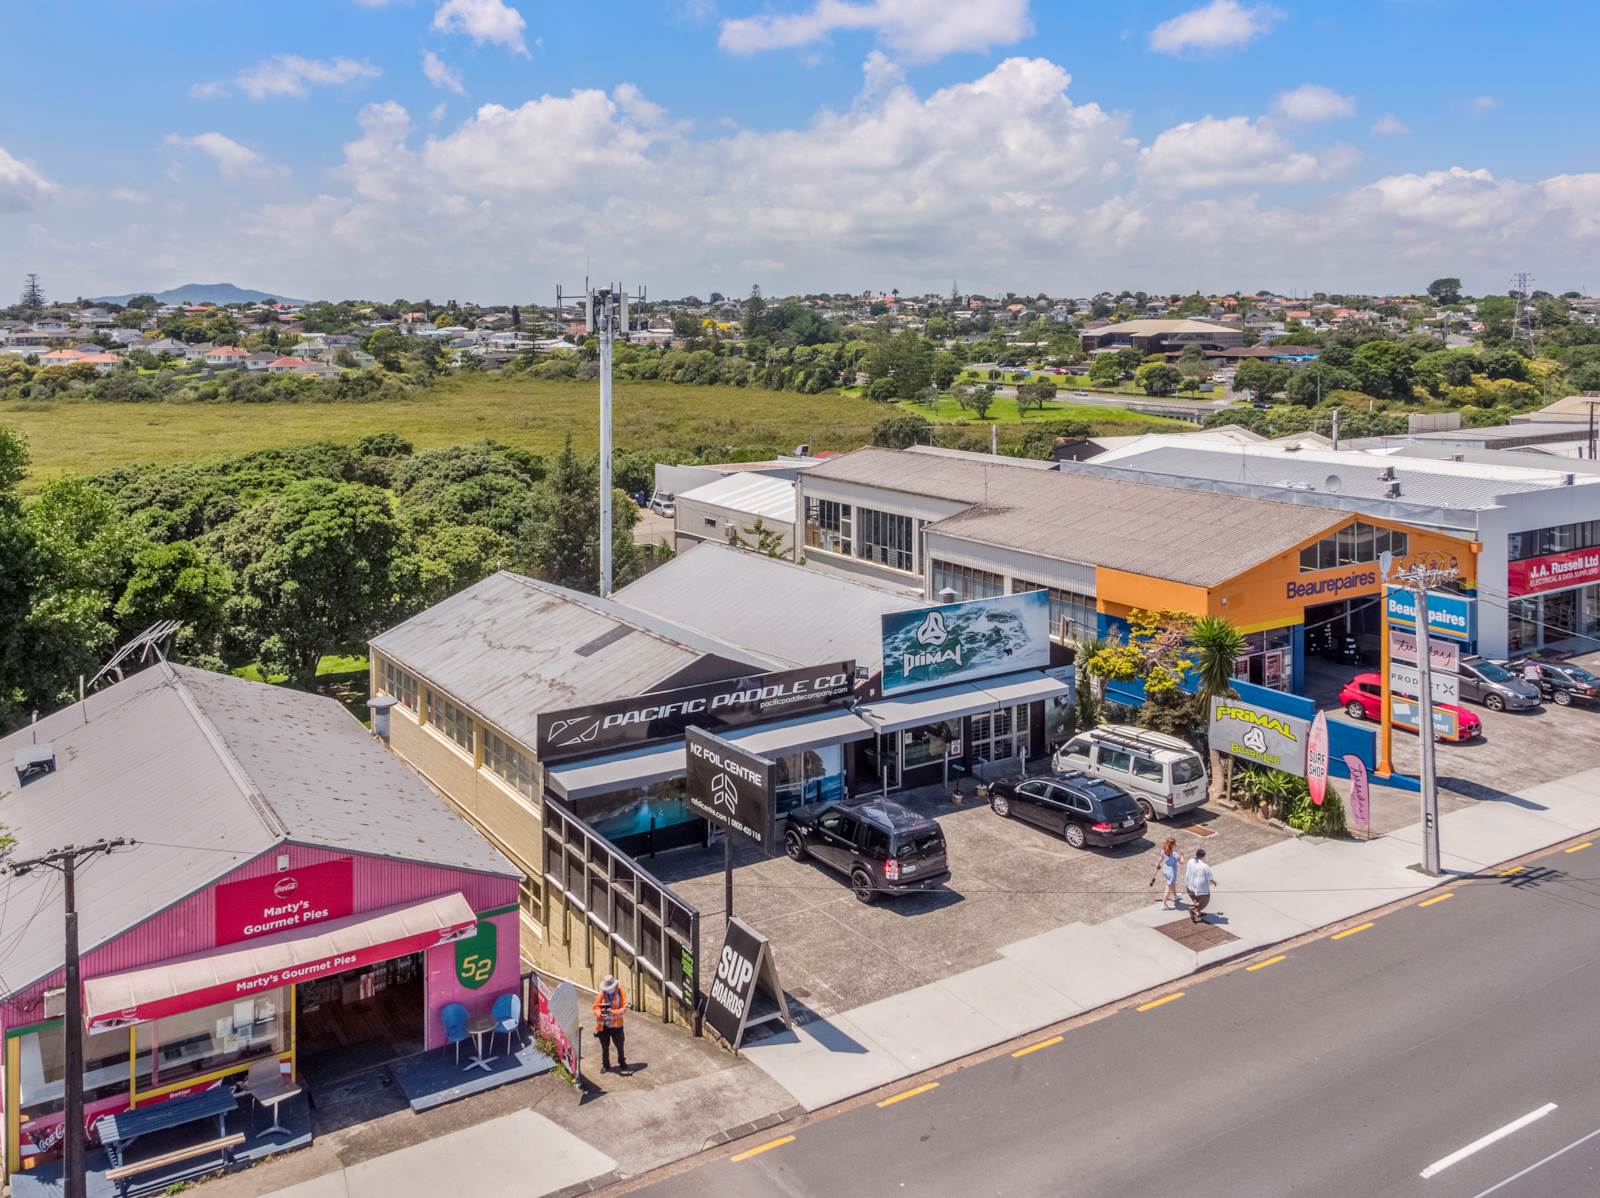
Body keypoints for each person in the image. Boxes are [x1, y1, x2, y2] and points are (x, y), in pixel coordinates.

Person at [593, 975, 629, 1072]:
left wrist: (613, 1012)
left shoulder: (621, 993)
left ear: (614, 985)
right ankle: (606, 1065)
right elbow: (595, 1008)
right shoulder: (601, 995)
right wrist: (600, 1013)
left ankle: (622, 1061)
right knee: (605, 1047)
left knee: (620, 1045)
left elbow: (624, 1008)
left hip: (617, 1026)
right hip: (603, 1026)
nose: (608, 990)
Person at [1184, 848, 1215, 924]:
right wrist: (1214, 882)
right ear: (1203, 856)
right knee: (1204, 901)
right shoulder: (1204, 866)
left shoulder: (1190, 861)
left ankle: (1197, 912)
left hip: (1190, 885)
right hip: (1200, 888)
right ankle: (1193, 909)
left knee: (1196, 899)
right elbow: (1210, 878)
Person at [1157, 837, 1182, 910]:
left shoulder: (1163, 850)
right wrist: (1182, 855)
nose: (1176, 845)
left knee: (1172, 884)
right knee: (1168, 888)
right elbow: (1182, 862)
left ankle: (1175, 896)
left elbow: (1161, 859)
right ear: (1172, 845)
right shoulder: (1174, 854)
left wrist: (1158, 864)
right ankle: (1164, 904)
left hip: (1165, 870)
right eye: (1175, 844)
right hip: (1171, 873)